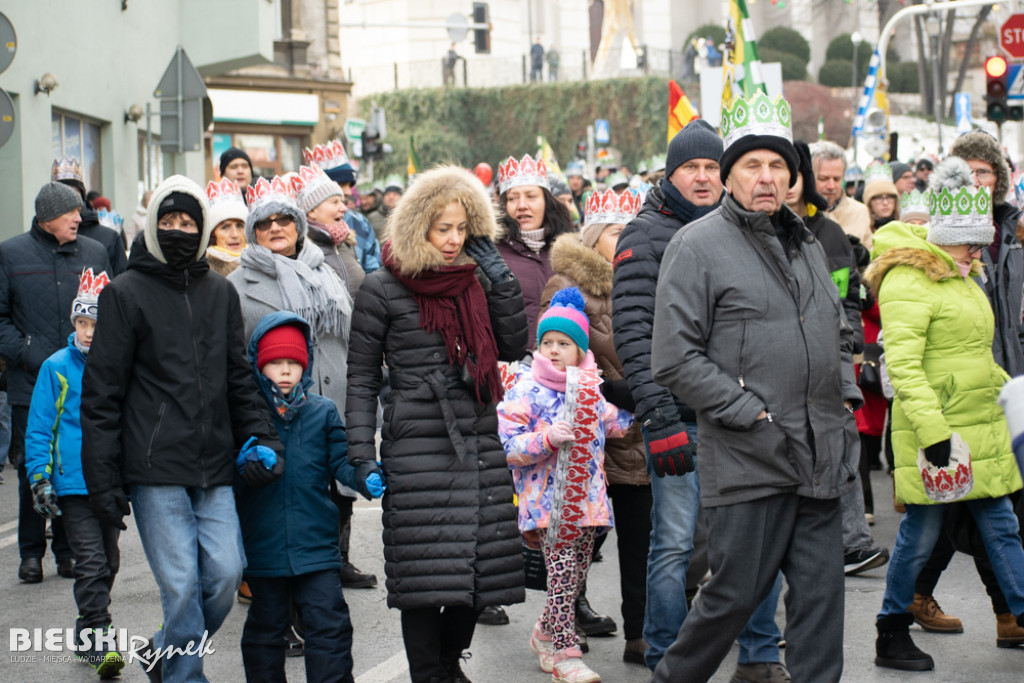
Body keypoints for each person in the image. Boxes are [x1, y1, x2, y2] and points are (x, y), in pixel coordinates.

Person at [650, 92, 861, 682]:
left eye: (777, 166)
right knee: (732, 598)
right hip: (751, 459)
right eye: (751, 165)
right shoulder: (697, 246)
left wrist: (844, 398)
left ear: (793, 176)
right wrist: (750, 414)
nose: (766, 178)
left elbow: (835, 331)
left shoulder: (809, 245)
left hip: (820, 458)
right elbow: (674, 357)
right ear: (728, 175)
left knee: (822, 604)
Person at [81, 174, 281, 682]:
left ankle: (164, 652)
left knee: (225, 575)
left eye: (188, 222)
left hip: (215, 465)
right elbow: (101, 394)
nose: (177, 230)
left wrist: (263, 436)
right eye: (167, 221)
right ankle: (184, 677)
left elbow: (239, 377)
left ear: (203, 229)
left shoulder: (220, 294)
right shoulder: (125, 294)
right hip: (154, 468)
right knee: (182, 585)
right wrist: (102, 480)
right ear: (151, 227)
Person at [611, 119, 787, 681]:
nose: (705, 177)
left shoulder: (746, 227)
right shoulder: (643, 236)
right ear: (671, 173)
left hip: (743, 416)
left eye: (714, 167)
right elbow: (636, 336)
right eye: (693, 167)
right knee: (674, 545)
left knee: (754, 542)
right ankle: (666, 654)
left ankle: (760, 654)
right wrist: (659, 417)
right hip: (680, 419)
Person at [345, 164, 527, 683]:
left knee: (482, 570)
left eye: (461, 229)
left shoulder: (479, 281)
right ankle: (430, 673)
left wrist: (501, 281)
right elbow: (361, 376)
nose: (452, 241)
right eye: (441, 228)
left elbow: (513, 346)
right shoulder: (382, 288)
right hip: (417, 443)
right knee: (424, 575)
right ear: (418, 226)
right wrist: (361, 452)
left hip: (478, 439)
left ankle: (448, 662)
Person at [865, 156, 1024, 671]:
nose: (978, 252)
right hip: (940, 434)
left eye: (981, 243)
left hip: (980, 427)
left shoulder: (964, 275)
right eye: (969, 243)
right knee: (922, 535)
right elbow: (906, 367)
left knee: (1001, 528)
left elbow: (976, 357)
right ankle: (891, 631)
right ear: (942, 237)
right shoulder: (909, 280)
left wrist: (1011, 391)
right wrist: (934, 435)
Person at [228, 174, 376, 589]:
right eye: (265, 223)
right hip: (275, 407)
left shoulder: (325, 272)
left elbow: (350, 334)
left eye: (284, 220)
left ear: (298, 225)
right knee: (285, 494)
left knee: (338, 482)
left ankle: (335, 559)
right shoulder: (236, 286)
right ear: (254, 233)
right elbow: (233, 355)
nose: (276, 228)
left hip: (335, 394)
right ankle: (262, 574)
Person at [906, 131, 1024, 645]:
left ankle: (917, 595)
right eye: (969, 171)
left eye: (987, 172)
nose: (979, 180)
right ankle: (1005, 612)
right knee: (984, 503)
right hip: (964, 385)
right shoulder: (940, 235)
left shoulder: (1015, 230)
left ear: (999, 179)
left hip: (1010, 374)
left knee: (982, 504)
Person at [238, 311, 384, 683]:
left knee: (329, 624)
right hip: (264, 545)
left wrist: (366, 475)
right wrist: (244, 465)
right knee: (266, 630)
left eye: (293, 363)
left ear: (306, 365)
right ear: (259, 365)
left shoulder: (322, 412)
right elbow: (229, 472)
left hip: (316, 543)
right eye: (275, 363)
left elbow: (342, 460)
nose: (285, 371)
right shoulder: (247, 416)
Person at [498, 287, 632, 683]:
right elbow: (509, 446)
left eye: (564, 343)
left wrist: (637, 398)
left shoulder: (591, 389)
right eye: (547, 342)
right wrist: (546, 439)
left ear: (581, 350)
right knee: (559, 573)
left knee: (574, 576)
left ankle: (544, 633)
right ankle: (565, 654)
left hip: (589, 502)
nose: (553, 350)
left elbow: (619, 423)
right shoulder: (527, 389)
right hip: (547, 505)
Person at [541, 189, 650, 664]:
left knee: (641, 538)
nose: (624, 239)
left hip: (639, 431)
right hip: (586, 436)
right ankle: (561, 623)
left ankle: (641, 633)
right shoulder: (567, 284)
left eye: (630, 229)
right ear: (593, 236)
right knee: (577, 540)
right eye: (614, 231)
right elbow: (553, 359)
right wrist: (605, 393)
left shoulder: (646, 277)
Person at [785, 142, 889, 577]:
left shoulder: (827, 234)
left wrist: (846, 349)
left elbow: (847, 299)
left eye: (788, 170)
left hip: (830, 363)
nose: (778, 181)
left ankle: (851, 545)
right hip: (778, 370)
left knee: (843, 447)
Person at [0, 181, 111, 585]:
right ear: (48, 216)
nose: (80, 219)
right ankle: (31, 553)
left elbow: (113, 312)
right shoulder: (10, 254)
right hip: (31, 378)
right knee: (35, 461)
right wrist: (27, 352)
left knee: (75, 459)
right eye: (72, 213)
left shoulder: (95, 253)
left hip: (84, 377)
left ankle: (68, 551)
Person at [25, 268, 125, 678]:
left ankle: (86, 628)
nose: (87, 332)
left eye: (96, 324)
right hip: (72, 484)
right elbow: (39, 426)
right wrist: (39, 476)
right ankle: (102, 640)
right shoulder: (56, 367)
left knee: (111, 561)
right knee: (90, 562)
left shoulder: (120, 365)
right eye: (82, 323)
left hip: (110, 481)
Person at [496, 154, 575, 342]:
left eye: (531, 196)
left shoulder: (571, 251)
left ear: (547, 201)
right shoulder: (491, 255)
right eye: (513, 198)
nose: (522, 205)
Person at [304, 141, 382, 274]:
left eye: (350, 185)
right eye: (341, 185)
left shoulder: (361, 224)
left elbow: (374, 271)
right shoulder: (297, 231)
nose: (348, 192)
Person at [52, 157, 128, 277]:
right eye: (63, 191)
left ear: (82, 196)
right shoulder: (41, 238)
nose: (68, 197)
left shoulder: (108, 237)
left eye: (74, 191)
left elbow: (122, 284)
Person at [297, 164, 366, 297]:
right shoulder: (302, 249)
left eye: (341, 201)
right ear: (312, 211)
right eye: (335, 202)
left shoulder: (347, 241)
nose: (343, 208)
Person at [811, 140, 874, 249]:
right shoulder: (795, 213)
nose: (831, 186)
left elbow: (871, 255)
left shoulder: (859, 212)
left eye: (837, 179)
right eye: (823, 179)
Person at [205, 177, 249, 277]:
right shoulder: (204, 274)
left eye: (240, 225)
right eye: (225, 227)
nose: (235, 234)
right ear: (212, 235)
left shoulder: (262, 267)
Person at [862, 162, 900, 231]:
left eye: (889, 197)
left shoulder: (904, 229)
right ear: (869, 202)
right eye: (879, 198)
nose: (885, 203)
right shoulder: (862, 231)